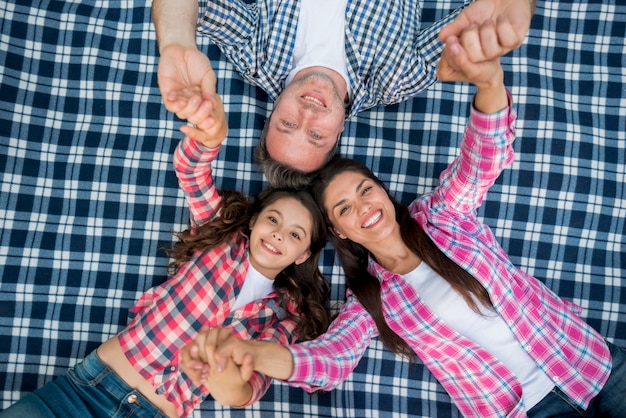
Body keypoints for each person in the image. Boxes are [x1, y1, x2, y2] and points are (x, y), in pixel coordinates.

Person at [180, 34, 626, 417]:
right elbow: (330, 359)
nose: (363, 207)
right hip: (520, 408)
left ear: (383, 192)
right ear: (339, 231)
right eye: (344, 208)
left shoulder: (444, 217)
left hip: (588, 364)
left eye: (365, 190)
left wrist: (489, 80)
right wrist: (255, 353)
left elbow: (482, 160)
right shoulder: (370, 301)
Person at [0, 91, 331, 418]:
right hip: (87, 390)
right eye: (273, 219)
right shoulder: (220, 236)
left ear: (303, 254)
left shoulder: (285, 319)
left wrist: (220, 373)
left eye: (295, 235)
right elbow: (191, 173)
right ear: (255, 221)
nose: (278, 234)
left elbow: (247, 391)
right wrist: (209, 136)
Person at [152, 0, 536, 188]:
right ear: (338, 134)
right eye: (316, 135)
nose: (306, 115)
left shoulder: (256, 55)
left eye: (287, 124)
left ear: (273, 110)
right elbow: (489, 18)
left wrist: (175, 43)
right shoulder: (398, 78)